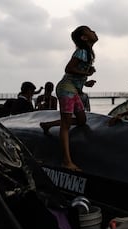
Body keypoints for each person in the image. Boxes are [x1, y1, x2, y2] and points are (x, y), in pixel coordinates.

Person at [40, 25, 98, 171]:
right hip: (66, 89)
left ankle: (48, 125)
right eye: (90, 31)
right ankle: (66, 161)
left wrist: (86, 80)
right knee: (66, 125)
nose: (94, 32)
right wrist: (86, 74)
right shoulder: (81, 51)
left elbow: (76, 74)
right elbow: (68, 69)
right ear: (84, 38)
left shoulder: (88, 53)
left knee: (81, 120)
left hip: (73, 90)